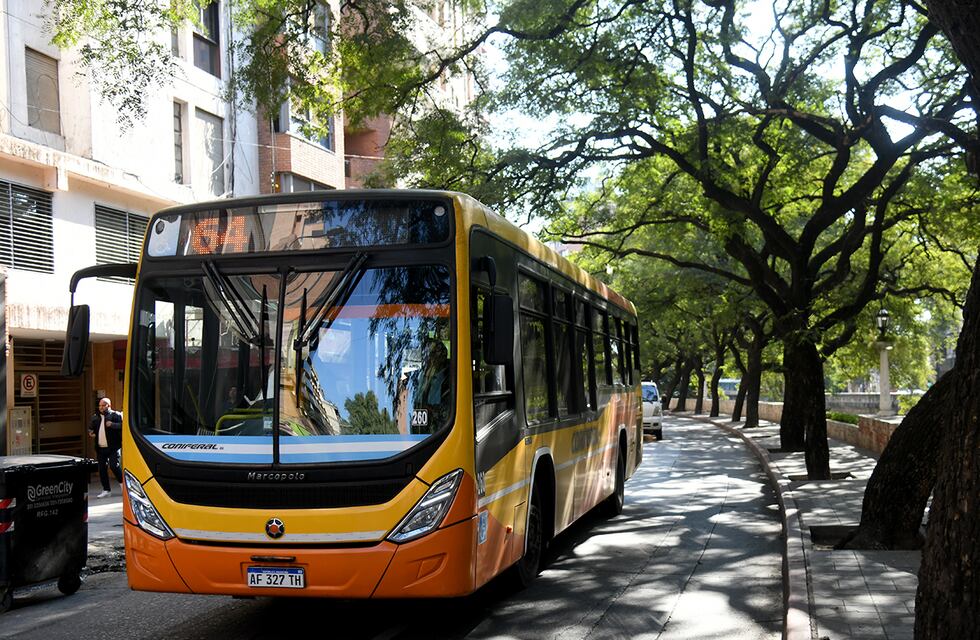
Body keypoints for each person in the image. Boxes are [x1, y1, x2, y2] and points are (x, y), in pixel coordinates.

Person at [89, 397, 123, 498]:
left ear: (109, 405)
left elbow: (123, 426)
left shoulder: (115, 415)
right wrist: (91, 433)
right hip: (100, 447)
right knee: (102, 469)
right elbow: (90, 429)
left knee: (114, 466)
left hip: (113, 447)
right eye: (100, 405)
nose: (101, 407)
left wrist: (112, 424)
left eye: (103, 405)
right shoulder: (95, 417)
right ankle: (106, 490)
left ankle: (123, 486)